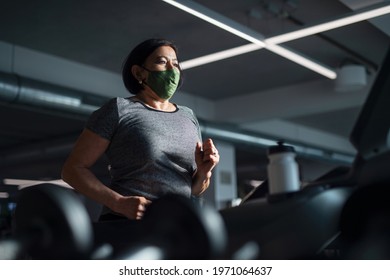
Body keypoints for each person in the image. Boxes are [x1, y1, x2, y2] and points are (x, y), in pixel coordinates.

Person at [61, 38, 220, 221]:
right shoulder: (119, 109)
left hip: (175, 225)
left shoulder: (188, 116)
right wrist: (119, 203)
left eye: (175, 64)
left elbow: (192, 189)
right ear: (139, 73)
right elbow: (72, 170)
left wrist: (204, 171)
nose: (172, 70)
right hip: (127, 225)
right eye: (162, 62)